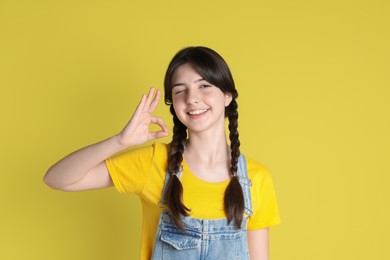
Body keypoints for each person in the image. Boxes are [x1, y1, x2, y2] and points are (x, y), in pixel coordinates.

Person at [44, 46, 280, 260]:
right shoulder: (153, 162)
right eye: (180, 91)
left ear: (227, 95)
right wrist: (120, 141)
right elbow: (57, 178)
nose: (192, 99)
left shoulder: (256, 179)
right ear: (173, 104)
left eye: (204, 86)